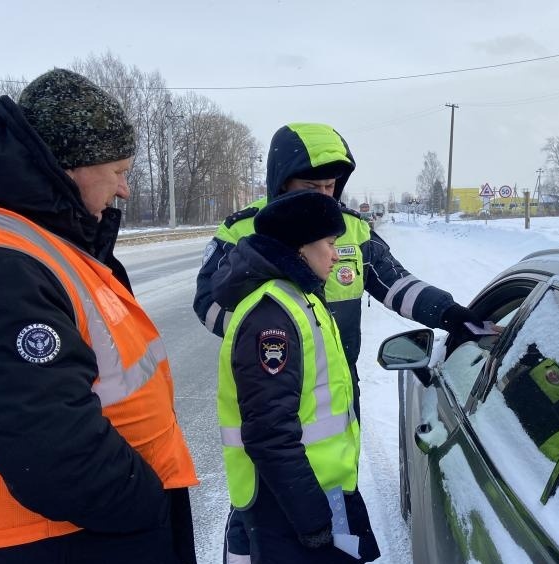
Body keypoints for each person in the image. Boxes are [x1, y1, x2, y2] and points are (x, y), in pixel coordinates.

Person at [0, 68, 199, 564]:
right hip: (47, 541)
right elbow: (46, 447)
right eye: (119, 171)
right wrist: (145, 507)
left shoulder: (32, 238)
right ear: (72, 166)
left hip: (74, 533)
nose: (125, 189)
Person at [194, 122, 482, 562]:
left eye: (331, 186)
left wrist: (449, 312)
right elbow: (207, 303)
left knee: (332, 502)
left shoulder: (349, 228)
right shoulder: (243, 230)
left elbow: (394, 283)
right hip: (273, 392)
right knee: (264, 515)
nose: (324, 197)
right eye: (312, 187)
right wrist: (275, 333)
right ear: (280, 183)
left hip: (336, 393)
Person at [218, 190, 381, 563]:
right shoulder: (271, 316)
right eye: (330, 243)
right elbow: (269, 432)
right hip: (289, 504)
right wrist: (311, 518)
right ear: (300, 247)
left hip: (324, 490)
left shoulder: (302, 297)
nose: (336, 254)